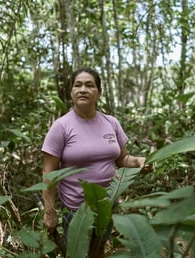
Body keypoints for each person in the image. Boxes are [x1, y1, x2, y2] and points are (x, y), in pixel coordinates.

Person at [42, 67, 149, 257]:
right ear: (72, 92)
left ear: (98, 93)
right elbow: (49, 174)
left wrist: (140, 161)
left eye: (89, 85)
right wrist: (49, 212)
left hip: (106, 206)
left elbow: (122, 159)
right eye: (78, 85)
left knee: (98, 251)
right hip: (76, 211)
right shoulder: (61, 127)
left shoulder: (111, 123)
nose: (83, 89)